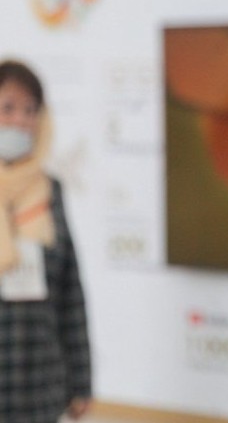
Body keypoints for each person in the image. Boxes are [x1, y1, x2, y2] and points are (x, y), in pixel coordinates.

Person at [0, 60, 92, 422]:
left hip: (40, 386)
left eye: (30, 110)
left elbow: (71, 292)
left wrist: (81, 382)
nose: (20, 120)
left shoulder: (50, 190)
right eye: (8, 108)